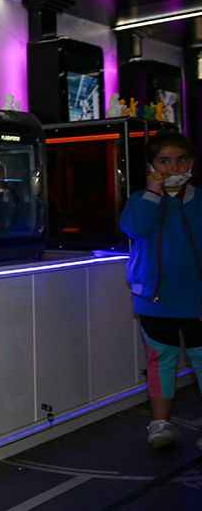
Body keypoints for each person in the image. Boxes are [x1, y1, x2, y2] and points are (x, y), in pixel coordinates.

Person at [120, 130, 202, 450]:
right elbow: (133, 228)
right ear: (152, 166)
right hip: (154, 299)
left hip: (196, 298)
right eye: (164, 161)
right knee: (160, 360)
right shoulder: (141, 201)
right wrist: (153, 194)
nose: (173, 168)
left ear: (191, 163)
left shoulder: (199, 200)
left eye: (181, 160)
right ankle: (160, 424)